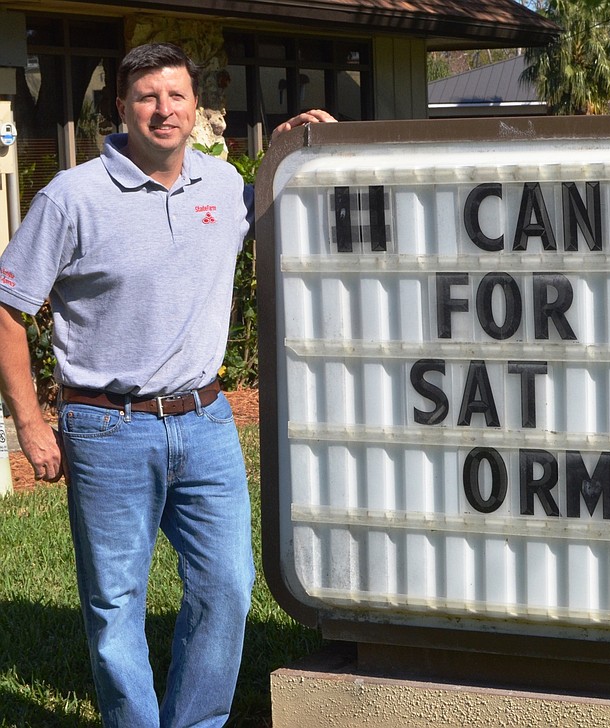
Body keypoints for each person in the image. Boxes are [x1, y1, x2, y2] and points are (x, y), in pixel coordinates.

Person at [0, 42, 334, 727]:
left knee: (228, 588)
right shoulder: (73, 197)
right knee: (115, 605)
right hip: (106, 426)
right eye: (147, 96)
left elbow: (276, 200)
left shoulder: (221, 186)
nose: (163, 109)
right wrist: (31, 425)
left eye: (176, 95)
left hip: (206, 421)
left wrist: (285, 148)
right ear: (121, 107)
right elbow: (6, 308)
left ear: (196, 106)